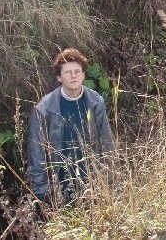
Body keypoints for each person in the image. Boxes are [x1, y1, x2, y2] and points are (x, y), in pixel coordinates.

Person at [27, 48, 115, 204]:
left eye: (77, 71)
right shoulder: (44, 108)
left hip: (90, 181)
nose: (73, 76)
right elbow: (36, 151)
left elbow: (106, 141)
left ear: (83, 75)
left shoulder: (95, 102)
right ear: (59, 77)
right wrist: (41, 192)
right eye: (68, 72)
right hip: (58, 185)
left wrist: (109, 179)